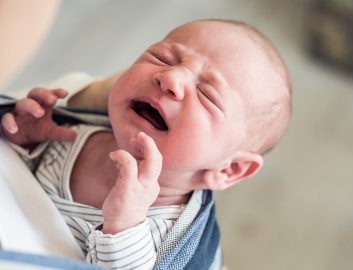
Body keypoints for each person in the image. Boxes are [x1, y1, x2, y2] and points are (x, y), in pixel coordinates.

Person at [0, 19, 292, 269]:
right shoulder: (77, 129)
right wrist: (25, 140)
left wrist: (123, 227)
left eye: (208, 95)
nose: (170, 78)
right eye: (163, 57)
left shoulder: (169, 240)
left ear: (230, 170)